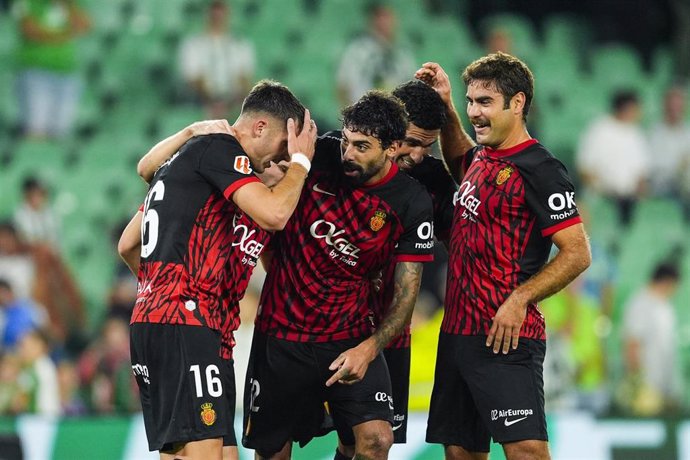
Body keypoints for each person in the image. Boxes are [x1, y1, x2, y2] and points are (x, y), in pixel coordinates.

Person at [123, 80, 317, 460]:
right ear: (260, 128)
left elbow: (128, 243)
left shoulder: (201, 180)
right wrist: (302, 163)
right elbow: (276, 213)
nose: (278, 163)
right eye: (281, 151)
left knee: (210, 454)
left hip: (193, 327)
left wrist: (154, 292)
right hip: (185, 321)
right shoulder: (222, 152)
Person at [242, 91, 435, 460]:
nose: (348, 153)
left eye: (362, 146)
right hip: (281, 335)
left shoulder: (411, 202)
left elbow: (407, 292)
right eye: (346, 141)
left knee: (377, 440)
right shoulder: (320, 155)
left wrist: (370, 348)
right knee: (271, 453)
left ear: (393, 148)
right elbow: (264, 179)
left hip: (349, 336)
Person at [417, 53, 591, 460]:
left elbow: (578, 252)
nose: (474, 112)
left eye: (485, 103)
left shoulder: (540, 168)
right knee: (461, 452)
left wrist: (519, 299)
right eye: (471, 101)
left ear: (517, 103)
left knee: (527, 450)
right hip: (457, 334)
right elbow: (462, 159)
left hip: (504, 336)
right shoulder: (485, 156)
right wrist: (444, 107)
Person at [332, 78, 456, 459]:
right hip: (328, 325)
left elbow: (461, 241)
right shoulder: (341, 159)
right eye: (412, 142)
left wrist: (450, 108)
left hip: (391, 334)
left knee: (370, 443)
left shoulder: (434, 182)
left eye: (428, 145)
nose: (418, 155)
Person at [13, 0, 90, 138]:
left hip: (66, 71)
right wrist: (64, 35)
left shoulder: (69, 5)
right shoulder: (29, 3)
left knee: (61, 129)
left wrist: (67, 6)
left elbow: (85, 25)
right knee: (36, 127)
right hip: (37, 71)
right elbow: (30, 30)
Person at [575, 89, 649, 226]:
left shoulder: (637, 133)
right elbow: (584, 169)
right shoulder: (599, 129)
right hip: (601, 198)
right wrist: (603, 189)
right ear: (626, 108)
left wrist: (640, 192)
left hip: (629, 199)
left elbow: (642, 175)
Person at [619, 262, 682, 415]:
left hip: (663, 387)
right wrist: (637, 383)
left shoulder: (665, 307)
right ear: (668, 282)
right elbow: (632, 344)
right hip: (646, 388)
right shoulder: (640, 304)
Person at [178, 0, 256, 119]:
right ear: (207, 16)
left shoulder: (240, 45)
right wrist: (213, 101)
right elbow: (194, 79)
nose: (217, 19)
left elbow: (244, 79)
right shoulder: (193, 44)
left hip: (233, 101)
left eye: (220, 15)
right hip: (200, 101)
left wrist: (233, 102)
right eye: (214, 15)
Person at [336, 2, 416, 106]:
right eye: (379, 17)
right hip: (363, 114)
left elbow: (412, 86)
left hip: (395, 116)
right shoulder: (357, 51)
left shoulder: (403, 54)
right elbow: (342, 86)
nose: (383, 22)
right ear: (371, 21)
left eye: (386, 17)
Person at [647, 85, 690, 220]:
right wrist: (679, 165)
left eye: (679, 106)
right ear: (665, 106)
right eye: (672, 106)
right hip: (661, 184)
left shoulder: (687, 132)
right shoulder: (653, 133)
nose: (675, 110)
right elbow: (651, 166)